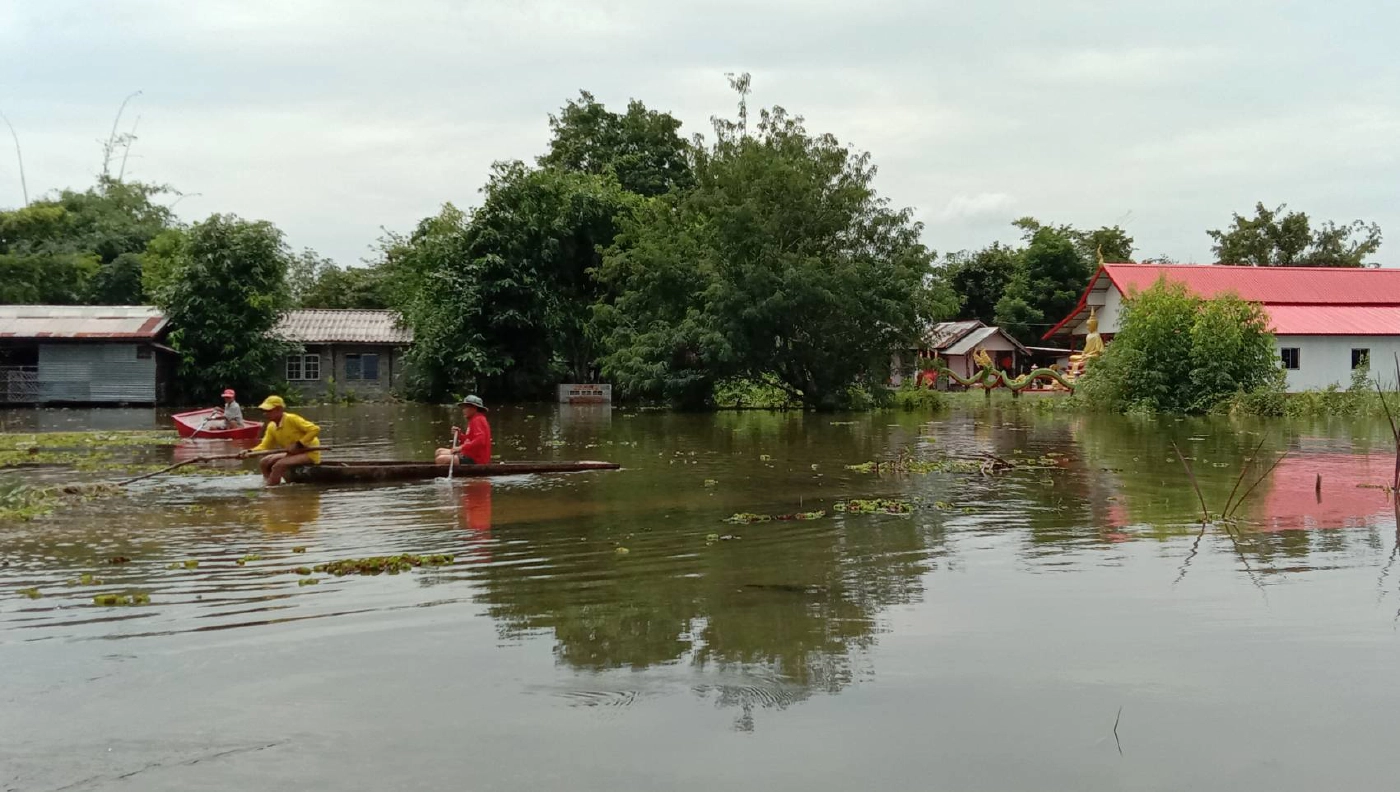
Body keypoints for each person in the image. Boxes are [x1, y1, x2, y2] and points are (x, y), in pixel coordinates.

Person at [239, 395, 321, 486]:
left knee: (278, 465)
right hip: (292, 453)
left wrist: (299, 444)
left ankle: (272, 488)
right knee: (264, 462)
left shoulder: (292, 418)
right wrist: (250, 452)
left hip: (309, 452)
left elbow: (315, 429)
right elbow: (265, 446)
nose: (265, 414)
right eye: (265, 411)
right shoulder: (271, 426)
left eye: (269, 411)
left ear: (279, 409)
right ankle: (268, 483)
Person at [435, 395, 492, 466]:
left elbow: (480, 440)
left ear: (474, 408)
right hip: (469, 454)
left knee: (441, 459)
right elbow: (469, 441)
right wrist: (460, 435)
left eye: (466, 407)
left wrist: (460, 448)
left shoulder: (478, 420)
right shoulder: (474, 419)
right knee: (439, 451)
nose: (463, 410)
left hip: (476, 459)